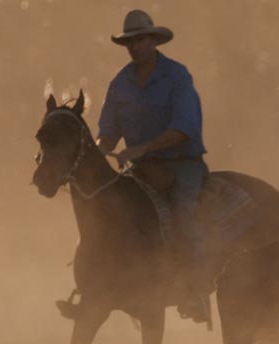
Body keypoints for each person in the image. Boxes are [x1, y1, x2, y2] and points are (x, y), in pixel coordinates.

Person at [96, 9, 212, 321]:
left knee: (184, 211)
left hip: (182, 164)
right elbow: (107, 130)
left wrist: (141, 148)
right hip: (142, 169)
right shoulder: (120, 83)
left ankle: (198, 290)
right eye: (130, 42)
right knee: (110, 213)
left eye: (141, 39)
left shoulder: (176, 76)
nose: (135, 46)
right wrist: (100, 149)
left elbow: (184, 127)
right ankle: (110, 285)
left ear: (153, 40)